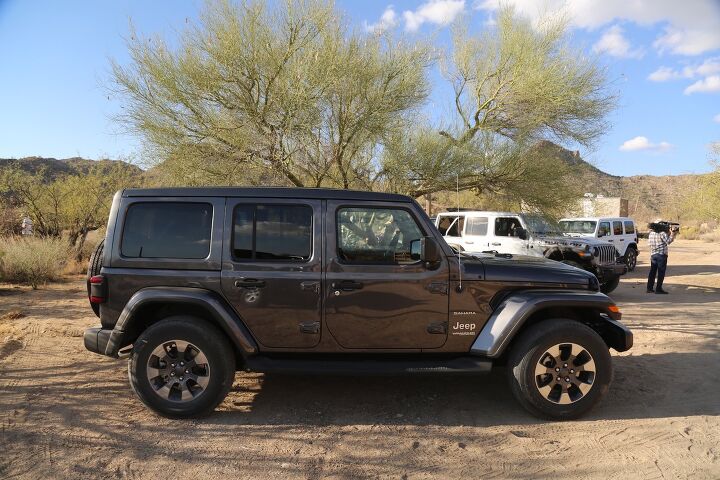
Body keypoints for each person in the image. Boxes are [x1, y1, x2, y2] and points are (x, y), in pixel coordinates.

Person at [646, 221, 677, 294]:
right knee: (661, 272)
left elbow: (649, 244)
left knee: (652, 272)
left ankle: (649, 288)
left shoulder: (651, 234)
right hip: (661, 255)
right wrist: (672, 234)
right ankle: (658, 289)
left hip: (653, 255)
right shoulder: (662, 233)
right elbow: (668, 241)